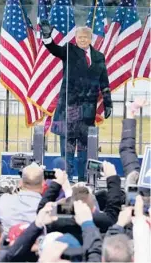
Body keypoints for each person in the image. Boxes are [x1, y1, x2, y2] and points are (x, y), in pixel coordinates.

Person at [40, 21, 113, 181]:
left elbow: (104, 82)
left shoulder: (99, 57)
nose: (82, 40)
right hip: (68, 109)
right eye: (80, 37)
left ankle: (83, 180)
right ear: (76, 38)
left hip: (88, 112)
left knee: (84, 150)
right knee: (67, 148)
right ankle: (66, 179)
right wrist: (47, 37)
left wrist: (108, 103)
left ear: (90, 39)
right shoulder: (68, 50)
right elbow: (54, 49)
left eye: (85, 37)